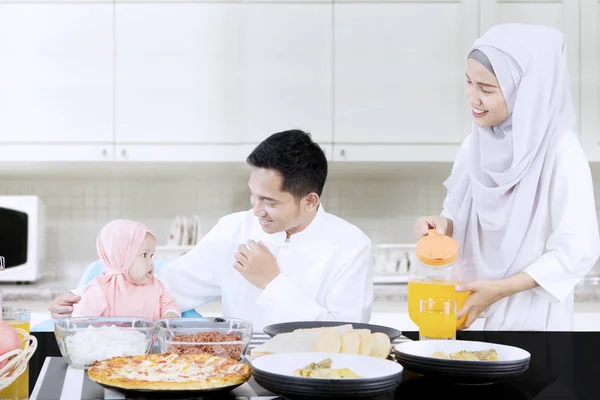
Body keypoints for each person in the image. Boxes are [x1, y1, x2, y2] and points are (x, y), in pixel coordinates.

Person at [51, 130, 373, 330]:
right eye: (253, 194)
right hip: (240, 374)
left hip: (314, 382)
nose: (256, 209)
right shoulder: (234, 229)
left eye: (270, 202)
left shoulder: (350, 246)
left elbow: (348, 336)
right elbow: (165, 288)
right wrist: (80, 301)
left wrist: (272, 283)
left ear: (310, 200)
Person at [414, 23, 600, 331]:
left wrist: (497, 291)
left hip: (533, 323)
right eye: (469, 82)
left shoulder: (561, 153)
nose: (473, 98)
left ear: (527, 92)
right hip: (466, 312)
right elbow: (455, 217)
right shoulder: (473, 144)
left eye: (486, 90)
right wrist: (439, 227)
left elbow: (577, 250)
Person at [71, 219, 180, 321]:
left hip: (150, 341)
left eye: (151, 255)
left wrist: (169, 317)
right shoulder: (100, 289)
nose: (151, 262)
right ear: (122, 256)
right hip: (110, 341)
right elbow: (79, 322)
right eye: (144, 255)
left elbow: (170, 306)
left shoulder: (156, 286)